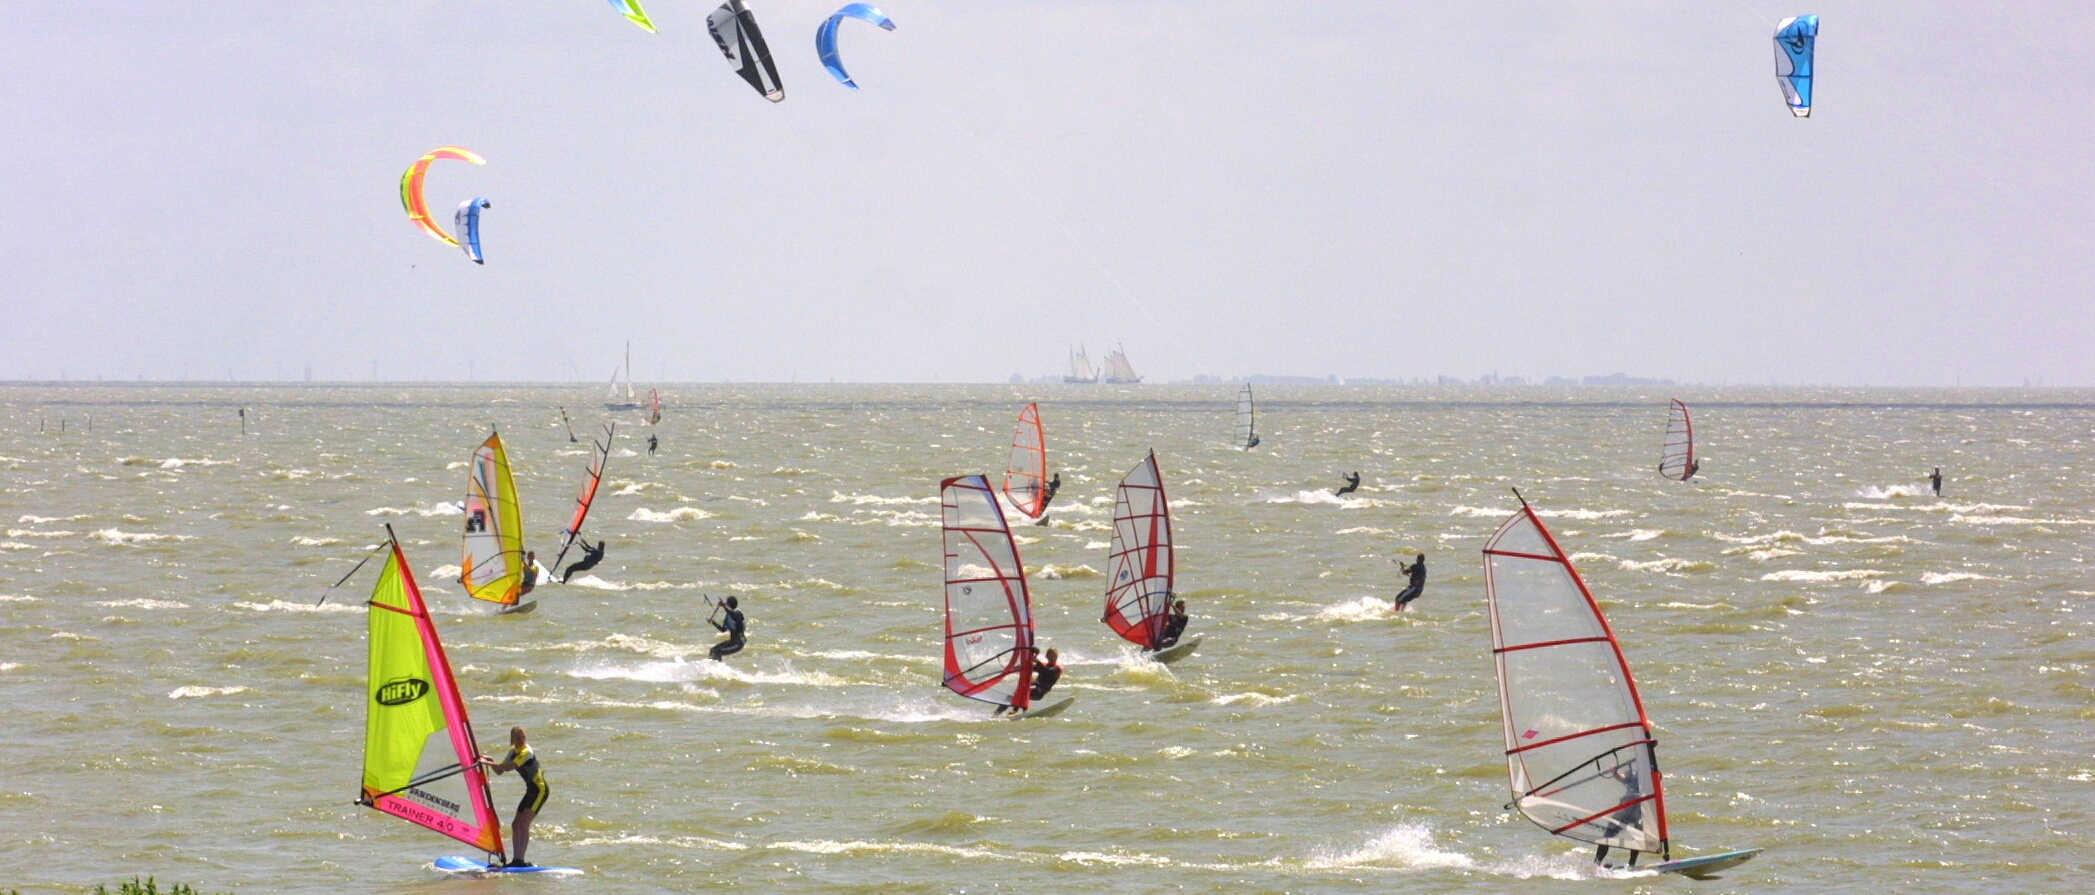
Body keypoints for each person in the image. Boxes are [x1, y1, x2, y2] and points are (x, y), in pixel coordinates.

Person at [478, 726, 548, 868]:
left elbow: (509, 767)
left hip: (540, 790)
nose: (522, 740)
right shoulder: (512, 752)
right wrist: (489, 760)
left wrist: (486, 762)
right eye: (518, 738)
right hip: (530, 791)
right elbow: (499, 770)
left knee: (524, 824)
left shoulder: (526, 752)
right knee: (516, 825)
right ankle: (516, 860)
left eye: (523, 737)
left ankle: (520, 860)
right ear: (513, 740)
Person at [1593, 763, 1646, 868]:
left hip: (1641, 809)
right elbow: (1624, 778)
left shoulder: (1650, 768)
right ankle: (1596, 864)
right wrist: (1615, 772)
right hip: (1627, 806)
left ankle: (1631, 865)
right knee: (1608, 834)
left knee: (1638, 835)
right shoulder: (1636, 765)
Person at [998, 647, 1061, 715]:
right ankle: (997, 713)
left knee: (1023, 692)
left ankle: (1017, 711)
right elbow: (1030, 667)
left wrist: (1037, 662)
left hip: (1039, 692)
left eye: (1053, 656)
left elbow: (1047, 672)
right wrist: (1015, 668)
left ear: (1056, 657)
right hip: (1033, 688)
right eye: (1050, 656)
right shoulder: (1044, 665)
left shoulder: (1057, 669)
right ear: (1047, 656)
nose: (1051, 658)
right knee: (1011, 696)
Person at [708, 596, 746, 661]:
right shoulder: (728, 617)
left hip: (739, 643)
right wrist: (713, 622)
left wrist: (723, 605)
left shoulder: (737, 613)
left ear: (729, 605)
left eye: (726, 603)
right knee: (713, 650)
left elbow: (733, 614)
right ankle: (712, 667)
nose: (725, 603)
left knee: (717, 652)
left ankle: (719, 669)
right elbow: (723, 630)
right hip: (732, 642)